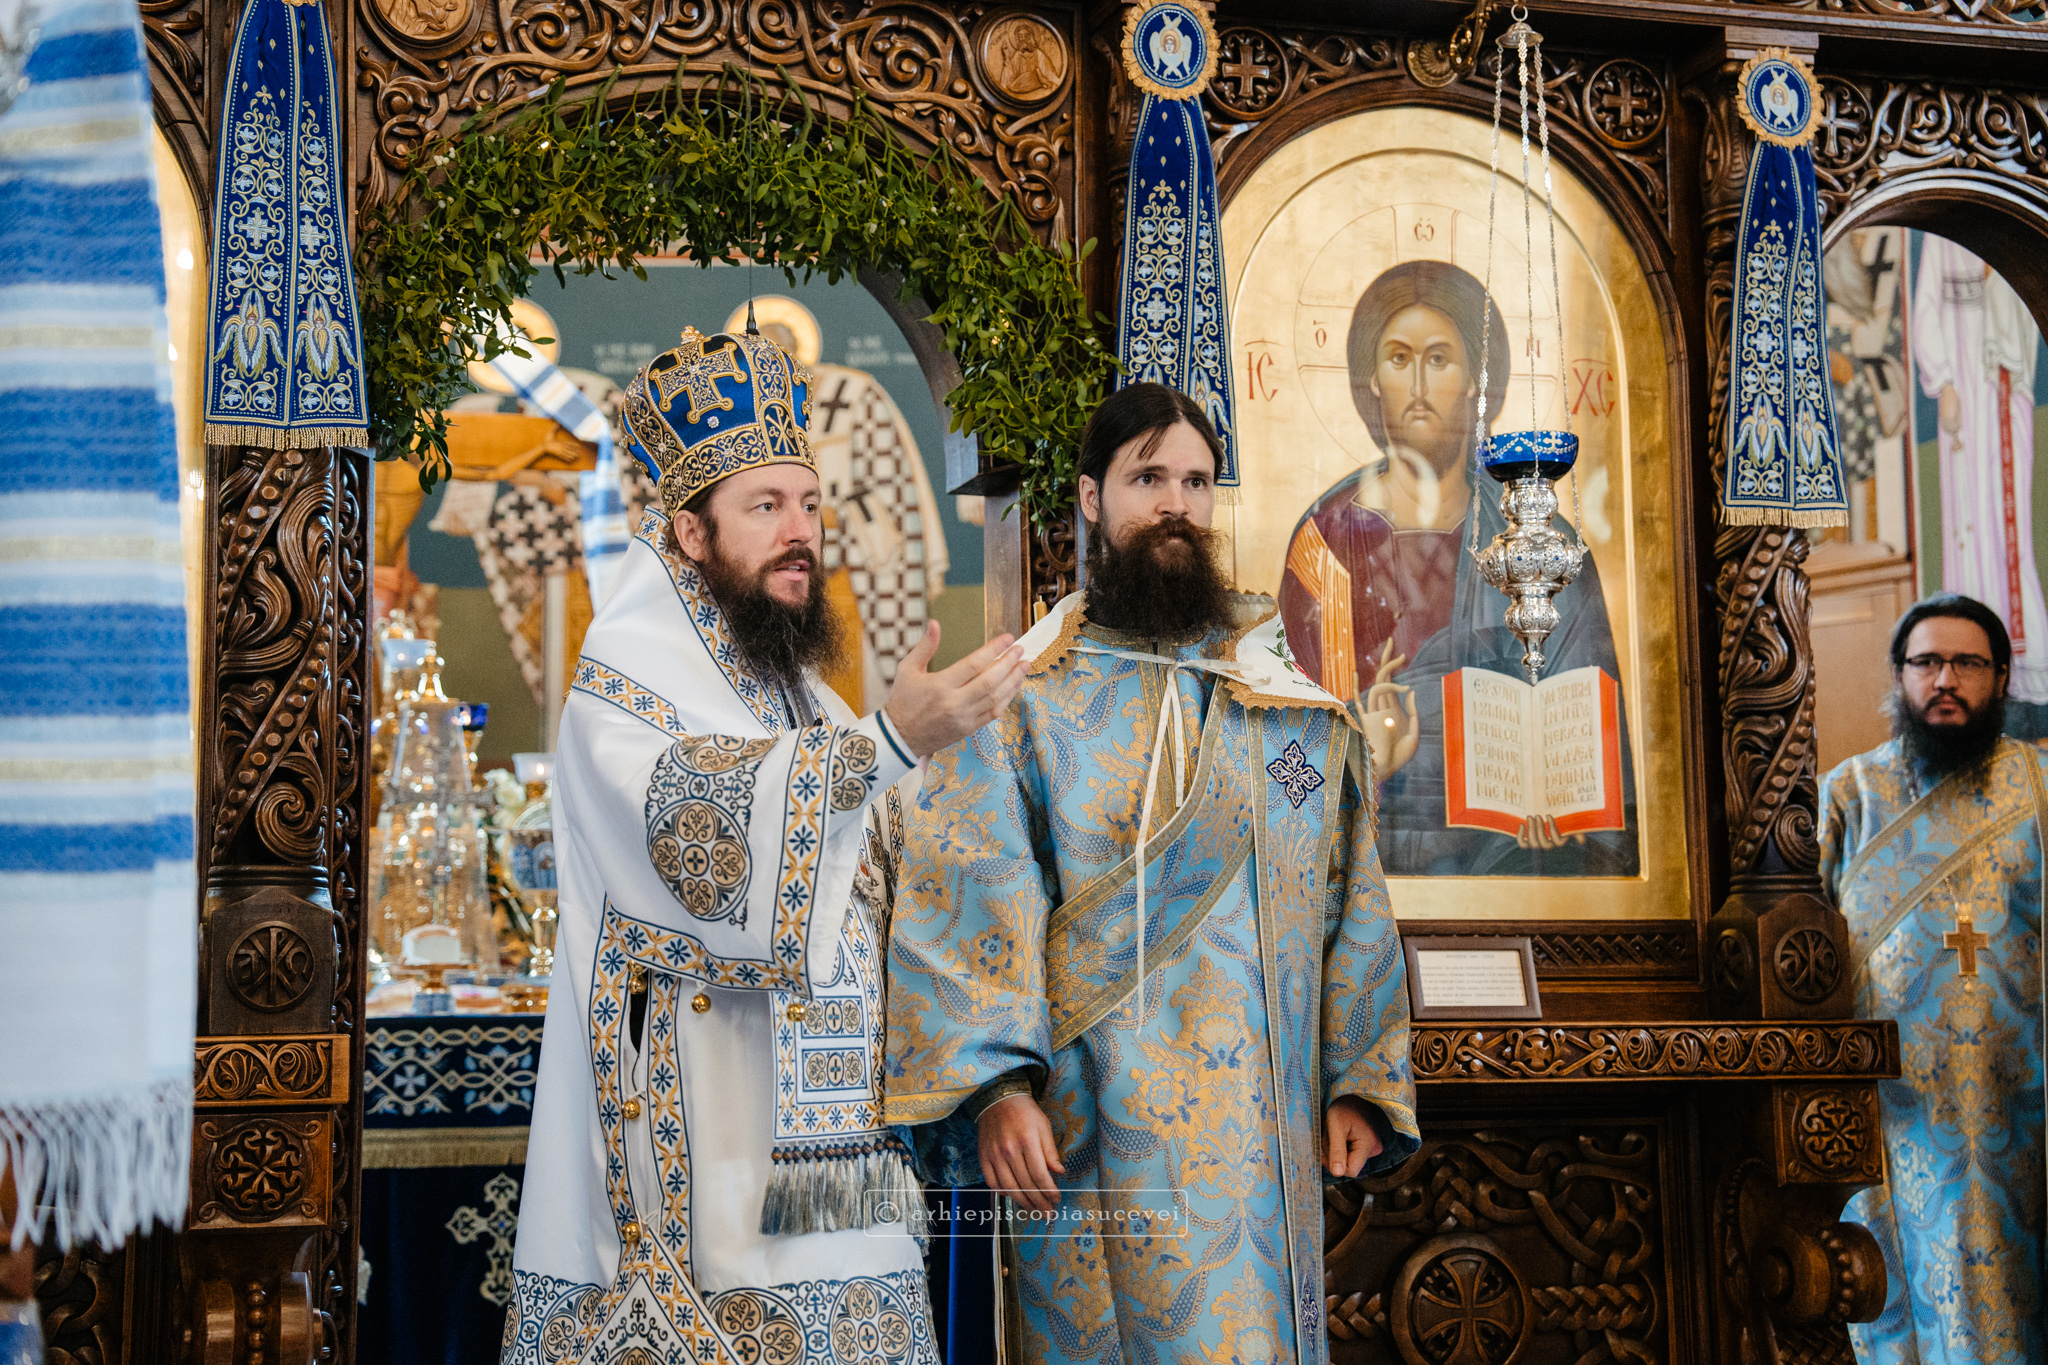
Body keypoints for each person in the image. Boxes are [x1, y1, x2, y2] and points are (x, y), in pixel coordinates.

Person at [502, 325, 1028, 1364]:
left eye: (810, 504)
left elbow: (881, 860)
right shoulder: (625, 674)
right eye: (765, 507)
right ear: (689, 532)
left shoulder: (801, 689)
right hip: (703, 1130)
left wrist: (947, 764)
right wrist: (887, 743)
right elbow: (689, 819)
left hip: (837, 1158)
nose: (800, 533)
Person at [885, 383, 1420, 1365]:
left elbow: (1350, 887)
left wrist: (1357, 1075)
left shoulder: (1283, 690)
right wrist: (995, 1091)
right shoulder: (1025, 697)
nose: (1176, 504)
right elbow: (965, 897)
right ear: (1091, 498)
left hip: (1263, 1140)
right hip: (1090, 1133)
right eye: (1148, 479)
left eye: (1196, 481)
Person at [1277, 260, 1638, 876]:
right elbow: (1286, 749)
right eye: (1398, 358)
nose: (1418, 383)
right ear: (1372, 379)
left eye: (1439, 358)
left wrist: (1559, 802)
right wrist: (1368, 755)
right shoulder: (1325, 542)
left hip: (1510, 860)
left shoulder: (1538, 540)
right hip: (1359, 859)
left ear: (1475, 380)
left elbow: (1586, 725)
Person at [1821, 593, 2048, 1365]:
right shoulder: (1846, 795)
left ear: (2001, 676)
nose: (1945, 679)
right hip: (1895, 1112)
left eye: (1967, 663)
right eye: (1926, 662)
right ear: (1899, 675)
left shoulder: (2040, 788)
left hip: (2027, 1110)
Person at [1911, 239, 2048, 729]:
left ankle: (2024, 669)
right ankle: (1973, 662)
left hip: (2006, 389)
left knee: (2010, 533)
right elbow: (1926, 310)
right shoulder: (1942, 238)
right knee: (1968, 530)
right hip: (1964, 400)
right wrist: (1944, 382)